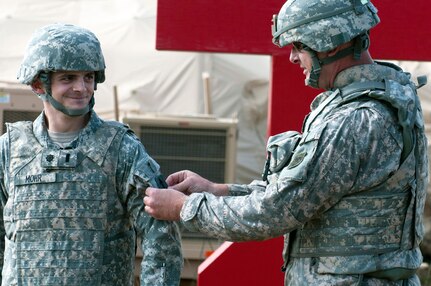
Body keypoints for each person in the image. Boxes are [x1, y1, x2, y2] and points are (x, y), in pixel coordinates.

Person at [144, 0, 429, 285]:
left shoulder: (352, 121)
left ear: (328, 44)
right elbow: (294, 193)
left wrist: (184, 208)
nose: (293, 57)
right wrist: (217, 191)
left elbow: (273, 212)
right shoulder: (391, 96)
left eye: (299, 46)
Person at [0, 23, 183, 285]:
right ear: (39, 84)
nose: (82, 88)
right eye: (68, 78)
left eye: (88, 77)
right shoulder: (10, 150)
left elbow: (160, 234)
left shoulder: (121, 150)